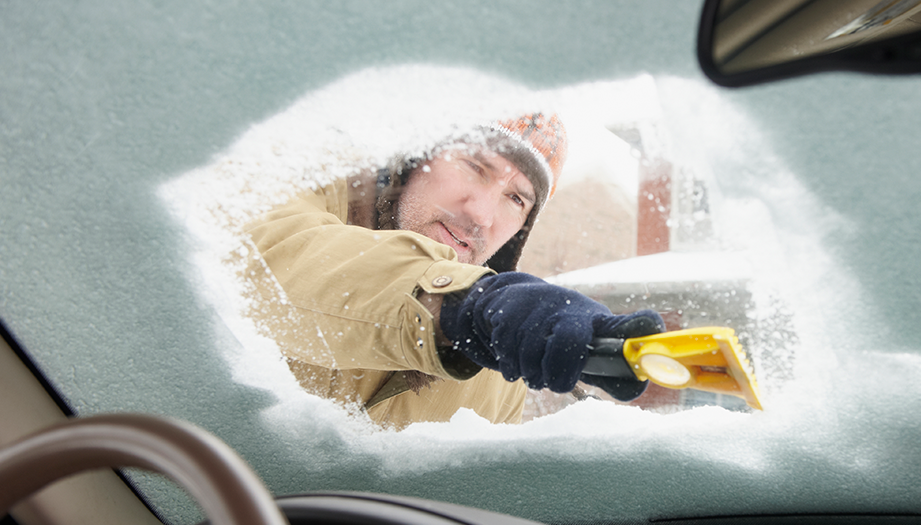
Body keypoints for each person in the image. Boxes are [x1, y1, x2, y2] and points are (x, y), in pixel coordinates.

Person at [241, 113, 664, 430]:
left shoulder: (499, 368)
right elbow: (271, 268)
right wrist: (462, 306)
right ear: (417, 158)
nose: (481, 214)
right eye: (475, 166)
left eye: (516, 198)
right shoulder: (297, 191)